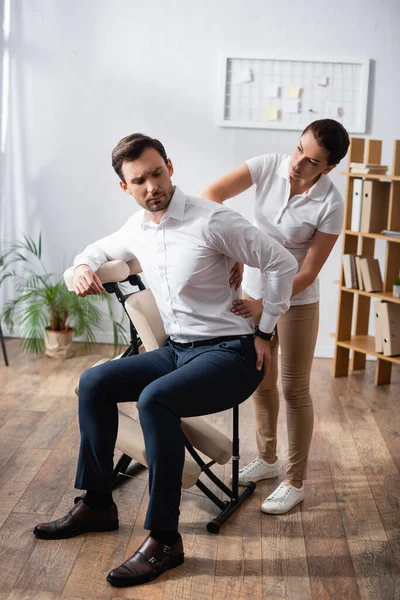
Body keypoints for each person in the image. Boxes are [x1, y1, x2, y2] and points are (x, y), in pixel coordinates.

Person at [33, 133, 297, 588]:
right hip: (178, 351)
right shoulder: (136, 227)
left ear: (170, 167)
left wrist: (264, 327)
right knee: (95, 382)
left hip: (231, 354)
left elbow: (281, 263)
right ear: (125, 187)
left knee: (155, 400)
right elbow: (96, 251)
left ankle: (165, 539)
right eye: (139, 180)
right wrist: (81, 267)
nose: (152, 186)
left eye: (157, 173)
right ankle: (97, 503)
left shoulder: (213, 219)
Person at [202, 119, 350, 515]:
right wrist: (233, 250)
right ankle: (267, 460)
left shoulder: (331, 203)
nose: (298, 163)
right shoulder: (268, 165)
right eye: (299, 149)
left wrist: (266, 304)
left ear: (328, 169)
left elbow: (306, 272)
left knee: (294, 390)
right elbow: (211, 197)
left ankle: (294, 480)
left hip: (297, 302)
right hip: (252, 291)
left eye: (313, 160)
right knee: (260, 381)